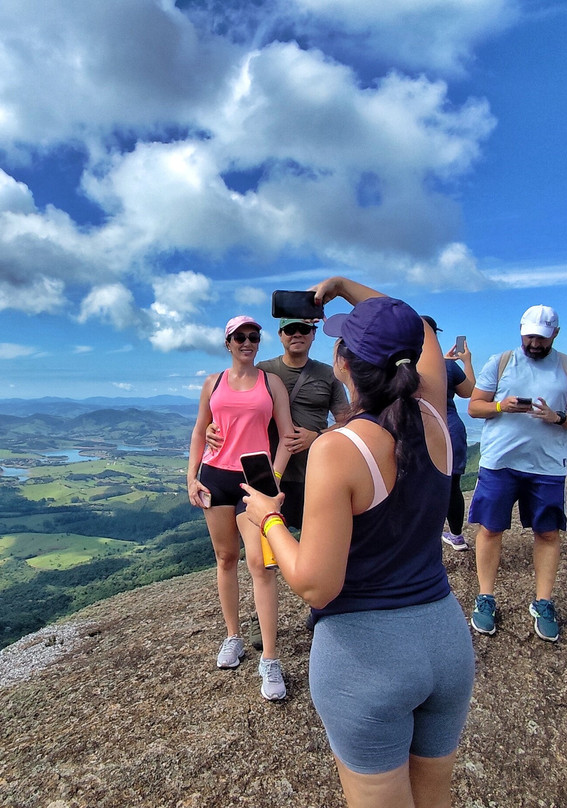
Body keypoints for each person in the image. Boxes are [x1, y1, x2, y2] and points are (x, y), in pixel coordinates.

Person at [242, 277, 474, 808]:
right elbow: (414, 323)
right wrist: (348, 287)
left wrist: (269, 519)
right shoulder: (436, 414)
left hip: (365, 659)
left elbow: (317, 586)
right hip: (444, 640)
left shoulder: (338, 448)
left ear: (343, 364)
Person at [466, 305, 567, 642]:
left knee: (549, 533)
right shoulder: (501, 361)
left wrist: (558, 418)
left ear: (555, 333)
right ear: (521, 331)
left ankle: (543, 601)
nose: (534, 342)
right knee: (491, 529)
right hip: (500, 462)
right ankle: (485, 597)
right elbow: (475, 406)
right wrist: (501, 405)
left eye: (541, 336)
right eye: (529, 335)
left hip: (547, 465)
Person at [186, 315, 295, 701]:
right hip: (215, 476)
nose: (247, 342)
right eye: (239, 337)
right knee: (225, 558)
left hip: (256, 479)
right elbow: (201, 430)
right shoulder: (212, 383)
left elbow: (288, 436)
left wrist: (275, 478)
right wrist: (191, 476)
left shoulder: (272, 384)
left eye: (253, 336)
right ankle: (233, 636)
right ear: (228, 342)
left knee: (261, 564)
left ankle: (270, 657)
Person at [207, 317, 349, 528]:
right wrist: (212, 426)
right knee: (269, 549)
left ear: (313, 334)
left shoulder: (328, 375)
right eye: (290, 329)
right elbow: (232, 403)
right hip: (267, 476)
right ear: (280, 335)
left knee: (311, 543)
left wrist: (318, 436)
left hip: (312, 473)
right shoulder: (264, 371)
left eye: (304, 328)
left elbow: (347, 422)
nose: (297, 334)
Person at [424, 316, 476, 551]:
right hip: (451, 429)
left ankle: (424, 540)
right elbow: (469, 392)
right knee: (452, 485)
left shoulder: (402, 365)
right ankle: (456, 537)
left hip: (419, 430)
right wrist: (466, 362)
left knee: (420, 486)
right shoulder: (447, 366)